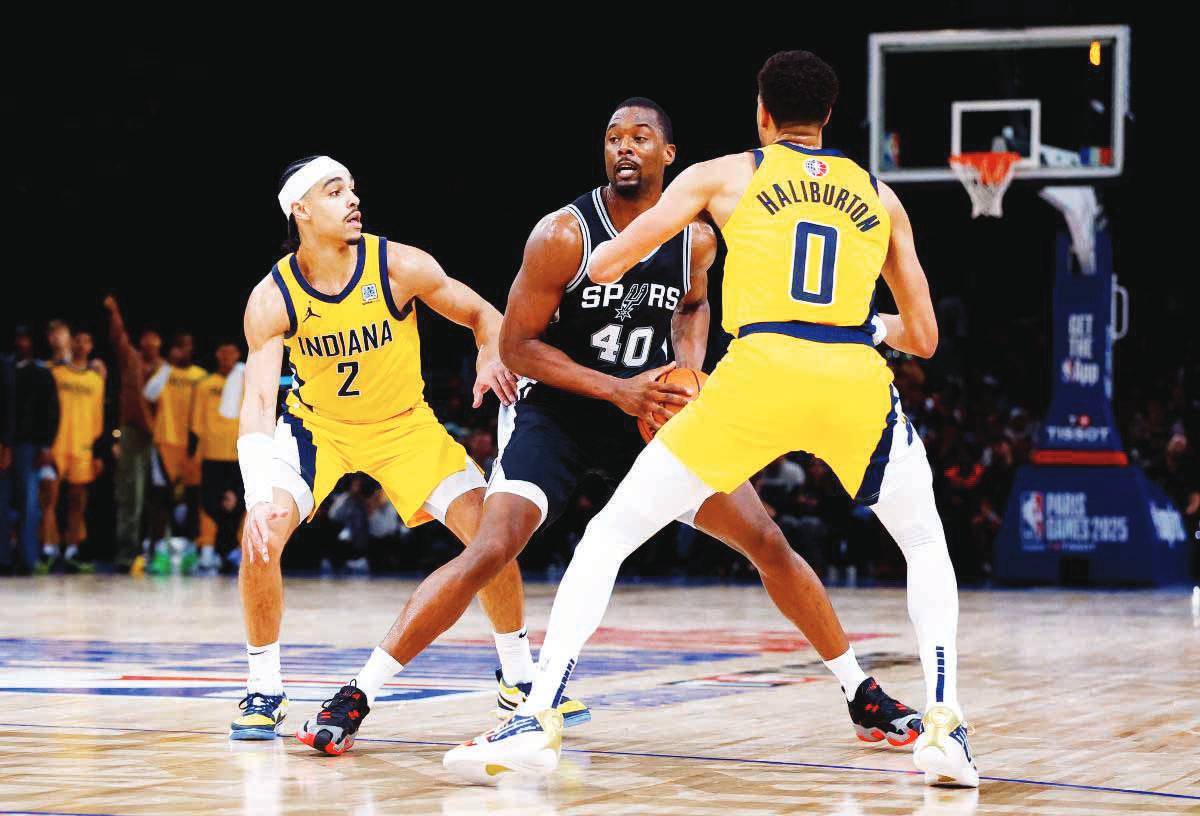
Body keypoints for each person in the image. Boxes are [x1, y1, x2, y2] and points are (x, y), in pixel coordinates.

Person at [302, 99, 918, 758]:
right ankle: (359, 693)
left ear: (667, 157)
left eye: (640, 137)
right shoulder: (562, 235)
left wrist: (686, 371)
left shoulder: (697, 239)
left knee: (765, 537)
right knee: (490, 548)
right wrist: (613, 390)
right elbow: (515, 347)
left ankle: (860, 694)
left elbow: (693, 306)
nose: (624, 147)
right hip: (557, 411)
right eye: (613, 138)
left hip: (646, 413)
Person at [445, 51, 977, 788]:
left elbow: (603, 266)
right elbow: (923, 338)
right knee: (923, 540)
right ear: (827, 117)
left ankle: (537, 717)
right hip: (851, 376)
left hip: (757, 375)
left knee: (609, 537)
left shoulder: (723, 175)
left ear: (762, 114)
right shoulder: (880, 195)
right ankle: (946, 728)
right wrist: (864, 329)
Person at [232, 155, 560, 747]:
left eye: (352, 189)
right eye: (336, 192)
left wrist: (489, 350)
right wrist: (259, 494)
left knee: (492, 534)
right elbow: (258, 398)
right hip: (319, 429)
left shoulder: (399, 264)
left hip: (405, 427)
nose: (353, 200)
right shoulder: (272, 296)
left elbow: (483, 314)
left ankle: (518, 676)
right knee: (259, 538)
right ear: (301, 210)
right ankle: (265, 689)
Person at [39, 330, 105, 571]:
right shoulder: (55, 372)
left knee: (78, 501)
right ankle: (48, 550)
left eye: (86, 340)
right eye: (76, 339)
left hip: (83, 446)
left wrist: (98, 453)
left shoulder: (97, 380)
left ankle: (73, 550)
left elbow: (100, 418)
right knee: (49, 499)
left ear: (91, 346)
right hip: (56, 444)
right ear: (70, 343)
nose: (81, 344)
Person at [104, 296, 162, 572]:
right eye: (147, 340)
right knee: (132, 495)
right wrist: (114, 311)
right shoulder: (132, 361)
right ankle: (127, 553)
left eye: (155, 340)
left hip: (161, 437)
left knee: (161, 496)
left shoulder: (165, 369)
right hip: (134, 434)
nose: (150, 344)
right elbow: (118, 337)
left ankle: (159, 552)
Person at [1, 328, 59, 574]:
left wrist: (46, 446)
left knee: (29, 503)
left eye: (27, 338)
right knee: (2, 503)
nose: (22, 343)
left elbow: (52, 412)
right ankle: (3, 558)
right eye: (19, 338)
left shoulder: (42, 373)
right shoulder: (6, 368)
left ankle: (27, 559)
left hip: (29, 446)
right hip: (5, 444)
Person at [190, 343, 244, 573]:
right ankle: (207, 550)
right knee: (210, 504)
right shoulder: (204, 385)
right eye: (223, 352)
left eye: (231, 352)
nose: (227, 357)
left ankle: (240, 550)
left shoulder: (245, 382)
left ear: (238, 355)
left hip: (239, 452)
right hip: (212, 454)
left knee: (242, 504)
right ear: (216, 354)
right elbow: (196, 421)